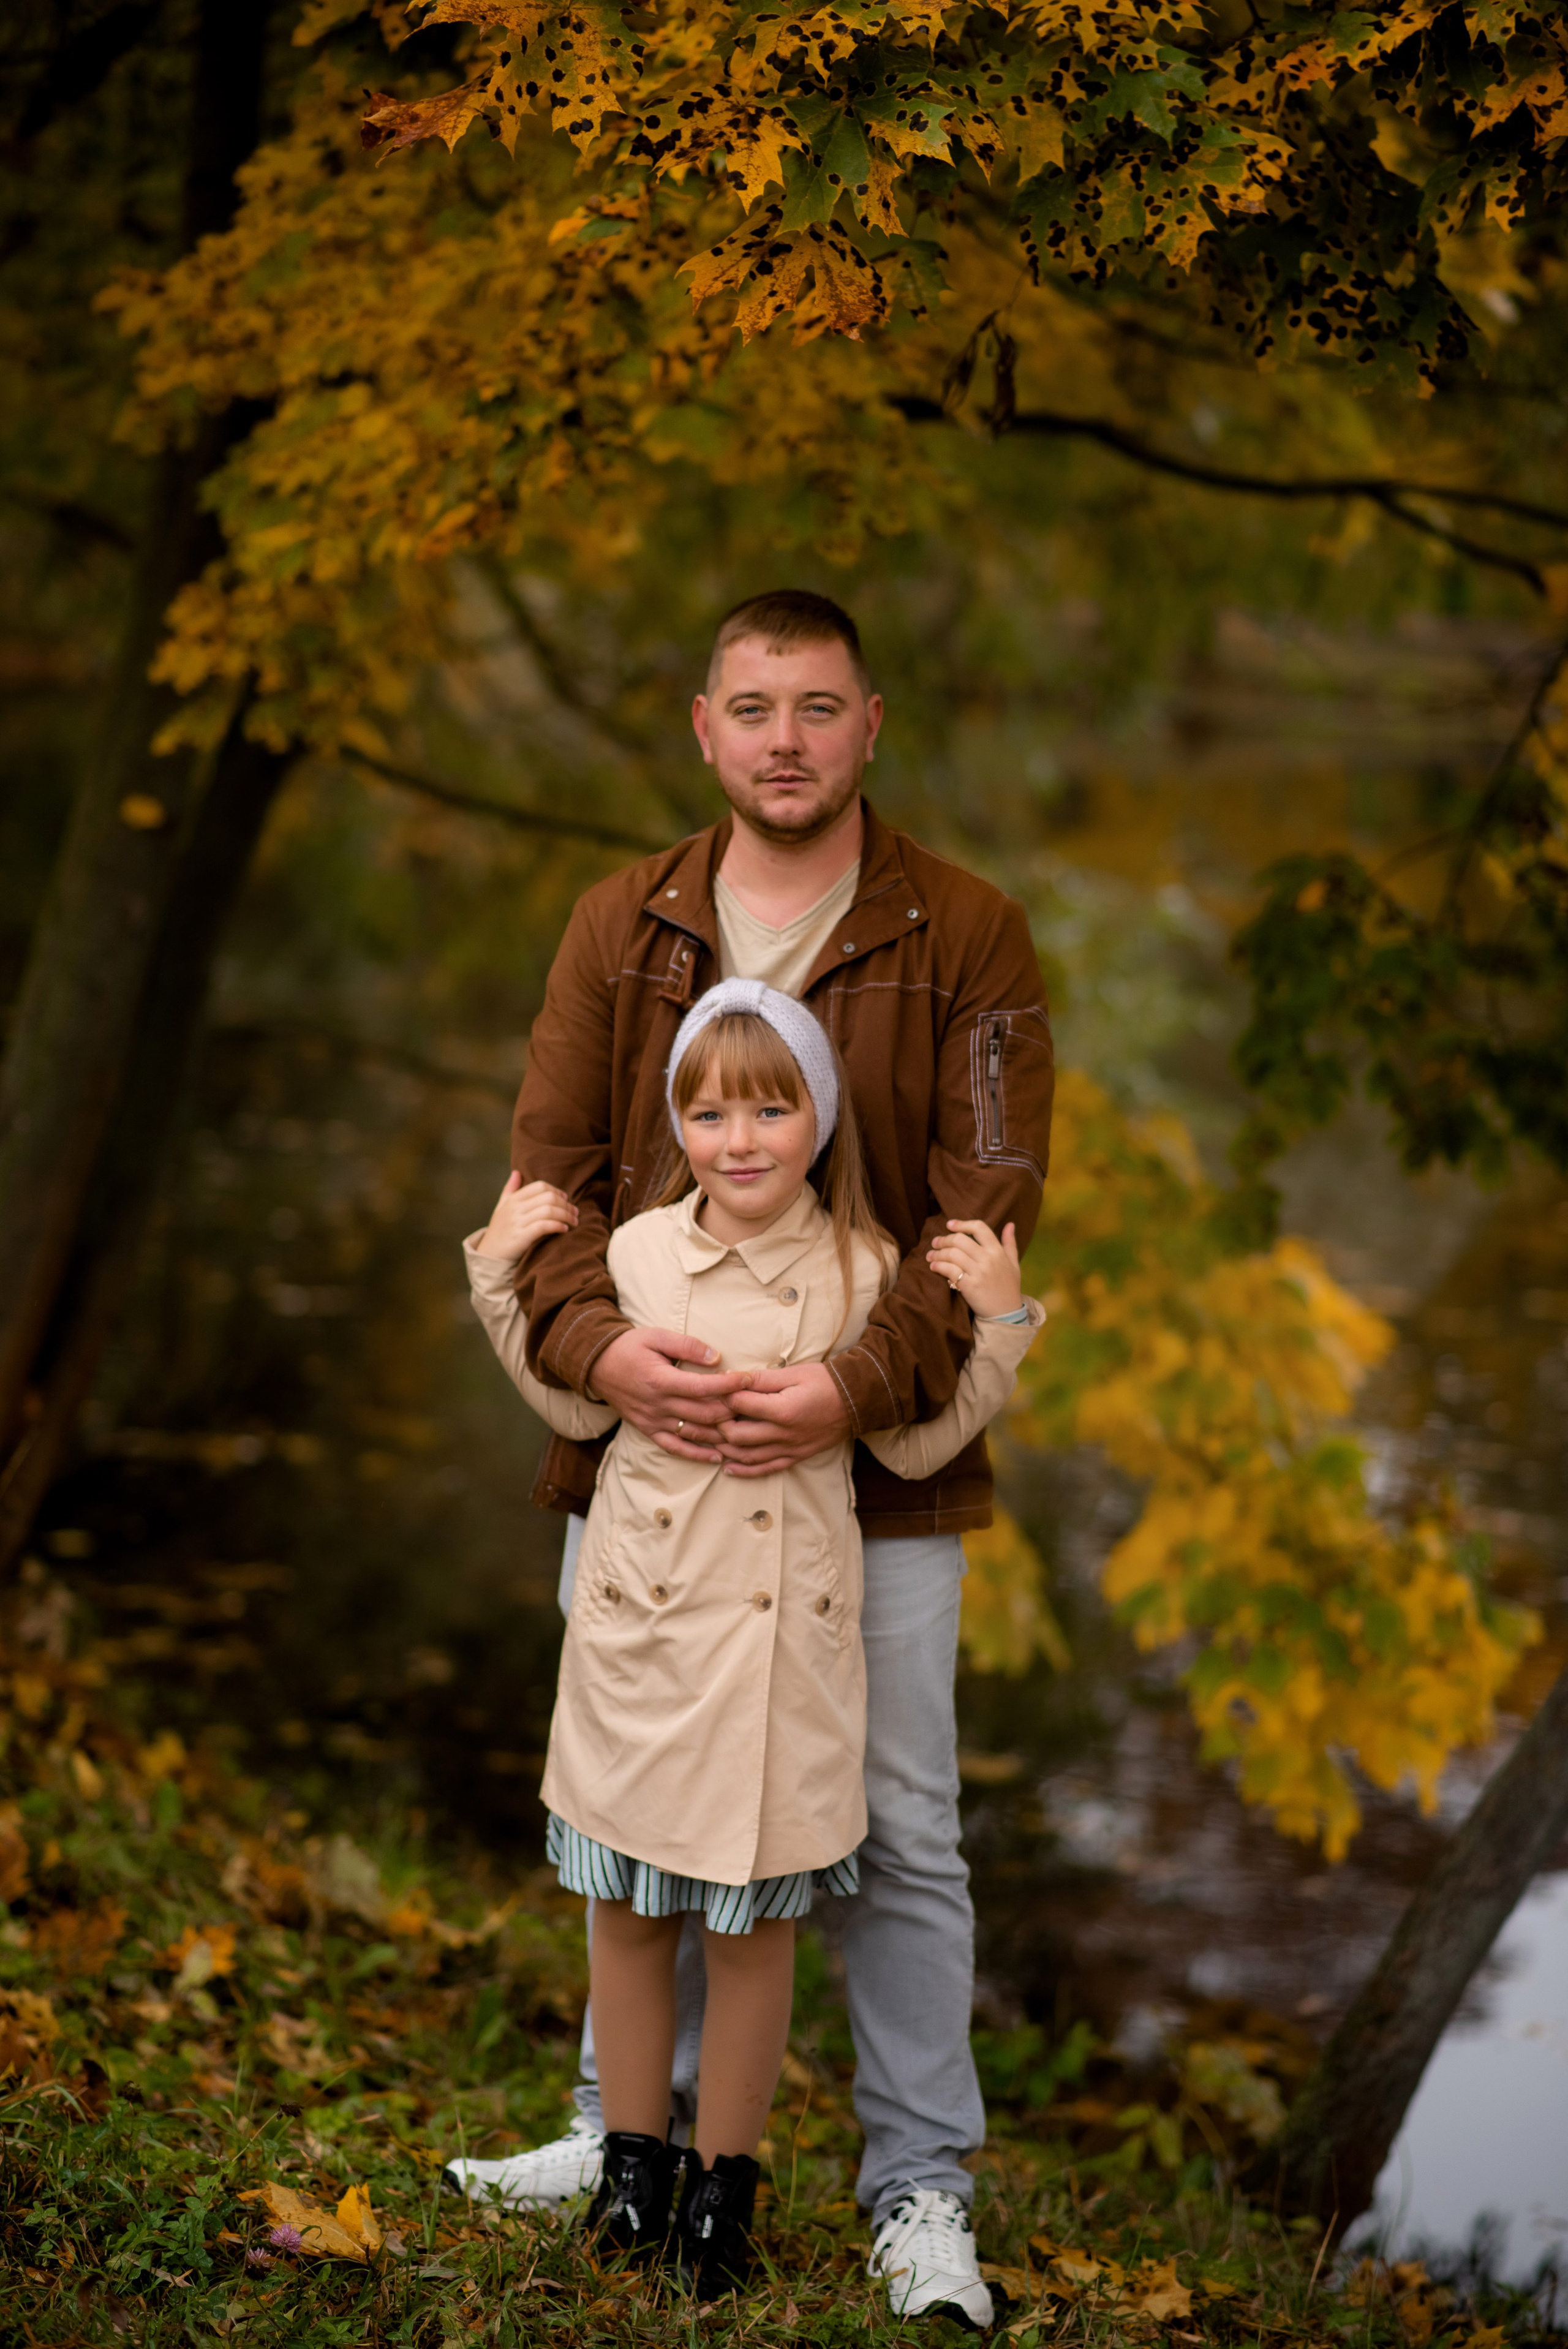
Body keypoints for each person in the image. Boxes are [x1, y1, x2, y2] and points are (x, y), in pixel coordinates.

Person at [449, 588, 1054, 2329]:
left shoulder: (975, 936)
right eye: (751, 705)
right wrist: (610, 1352)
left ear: (872, 723)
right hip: (646, 1458)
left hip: (881, 1475)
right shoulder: (617, 923)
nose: (784, 736)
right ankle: (613, 2130)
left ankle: (919, 2185)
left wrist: (846, 1390)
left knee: (904, 1831)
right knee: (643, 1807)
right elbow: (545, 1191)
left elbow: (982, 1220)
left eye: (818, 705)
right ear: (703, 728)